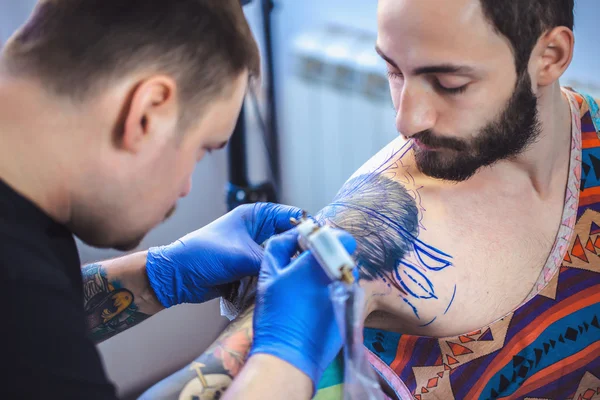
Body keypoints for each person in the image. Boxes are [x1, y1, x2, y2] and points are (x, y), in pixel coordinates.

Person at [143, 0, 600, 398]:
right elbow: (200, 386)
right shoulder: (384, 221)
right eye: (394, 70)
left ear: (550, 56)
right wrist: (155, 275)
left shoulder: (592, 134)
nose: (406, 120)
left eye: (448, 82)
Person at [0, 1, 357, 399]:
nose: (186, 186)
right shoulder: (18, 282)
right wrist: (285, 357)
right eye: (203, 148)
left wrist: (158, 276)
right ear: (148, 114)